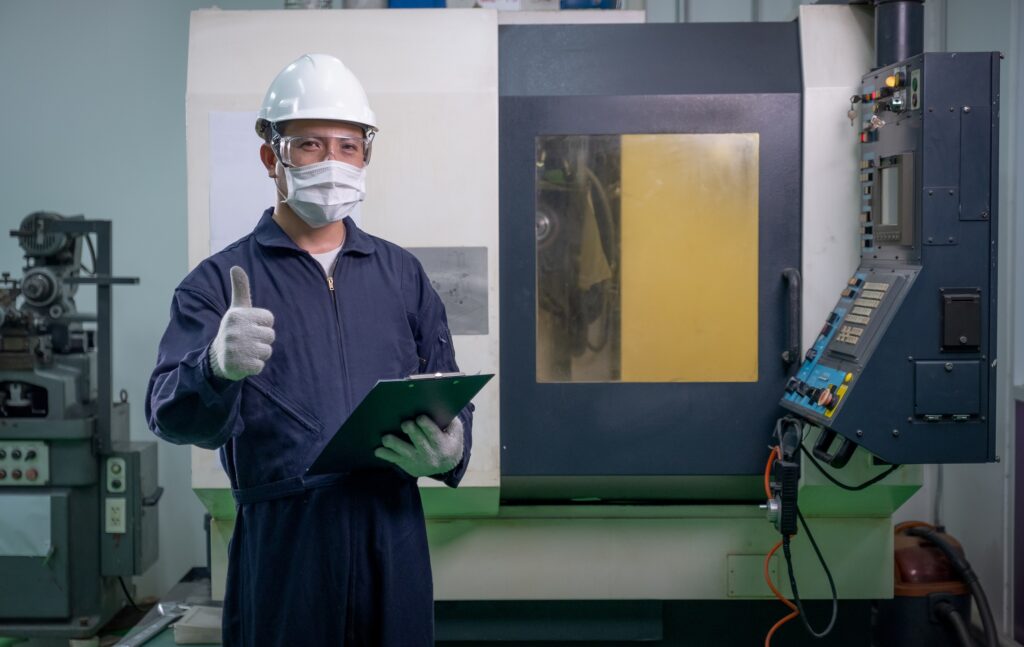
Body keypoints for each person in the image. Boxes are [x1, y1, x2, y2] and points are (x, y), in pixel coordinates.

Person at [146, 53, 471, 646]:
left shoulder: (401, 275)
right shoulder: (218, 283)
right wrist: (214, 368)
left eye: (348, 146)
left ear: (366, 153)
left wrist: (450, 451)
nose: (333, 162)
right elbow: (169, 413)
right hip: (286, 543)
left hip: (390, 533)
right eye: (311, 146)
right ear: (272, 156)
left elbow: (446, 391)